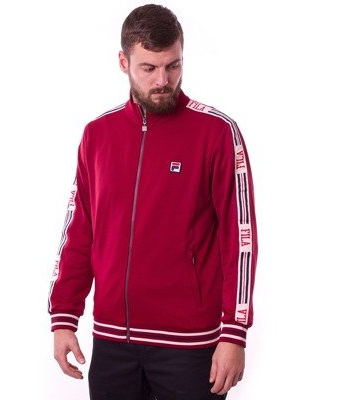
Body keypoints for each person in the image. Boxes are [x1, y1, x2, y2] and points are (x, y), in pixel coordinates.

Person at [48, 4, 258, 399]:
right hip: (112, 342)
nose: (163, 80)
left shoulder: (216, 132)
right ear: (123, 62)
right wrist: (64, 316)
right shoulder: (98, 135)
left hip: (191, 345)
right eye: (149, 68)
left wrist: (234, 332)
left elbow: (239, 238)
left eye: (173, 66)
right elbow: (79, 231)